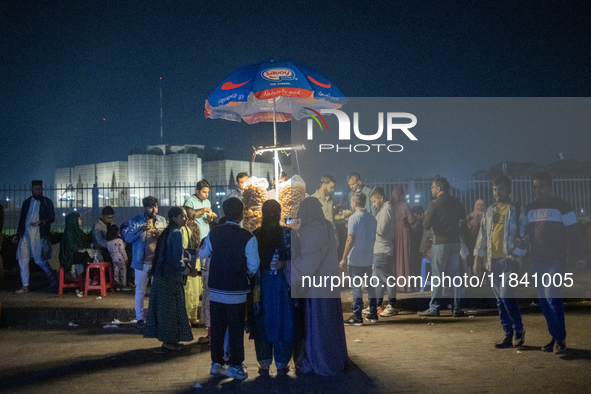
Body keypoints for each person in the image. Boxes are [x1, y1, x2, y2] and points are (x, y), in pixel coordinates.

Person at [199, 197, 260, 380]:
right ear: (241, 214)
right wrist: (243, 274)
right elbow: (254, 265)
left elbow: (203, 253)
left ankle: (216, 364)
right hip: (237, 293)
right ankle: (235, 366)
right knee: (235, 330)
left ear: (225, 213)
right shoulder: (248, 237)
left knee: (217, 329)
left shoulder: (214, 233)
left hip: (216, 289)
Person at [525, 172, 586, 354]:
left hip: (556, 260)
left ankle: (560, 339)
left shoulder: (563, 206)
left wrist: (579, 256)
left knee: (553, 296)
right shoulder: (530, 208)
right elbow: (526, 234)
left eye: (541, 186)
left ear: (550, 187)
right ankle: (555, 337)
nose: (538, 190)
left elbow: (574, 232)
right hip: (536, 261)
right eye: (535, 187)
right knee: (543, 301)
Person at [292, 197, 348, 375]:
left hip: (318, 287)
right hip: (330, 283)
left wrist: (286, 267)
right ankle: (333, 357)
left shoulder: (313, 231)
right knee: (330, 324)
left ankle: (321, 360)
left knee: (318, 325)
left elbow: (307, 265)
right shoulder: (328, 227)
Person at [474, 175, 528, 349]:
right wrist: (477, 259)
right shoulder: (489, 211)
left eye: (501, 189)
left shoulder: (517, 209)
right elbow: (482, 236)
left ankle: (518, 329)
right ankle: (508, 334)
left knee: (506, 295)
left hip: (508, 260)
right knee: (500, 299)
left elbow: (526, 235)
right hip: (492, 261)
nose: (497, 193)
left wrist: (516, 255)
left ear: (509, 191)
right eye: (495, 189)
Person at [144, 207, 198, 351]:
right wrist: (188, 271)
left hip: (162, 277)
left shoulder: (169, 232)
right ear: (174, 218)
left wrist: (184, 260)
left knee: (166, 311)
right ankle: (169, 342)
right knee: (171, 312)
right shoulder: (176, 234)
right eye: (183, 216)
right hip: (170, 278)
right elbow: (176, 261)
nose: (185, 219)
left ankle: (168, 341)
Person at [418, 177, 468, 317]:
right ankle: (457, 308)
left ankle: (434, 308)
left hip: (440, 242)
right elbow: (463, 219)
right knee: (455, 276)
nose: (431, 189)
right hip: (455, 242)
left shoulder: (434, 204)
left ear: (439, 188)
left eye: (433, 187)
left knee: (437, 276)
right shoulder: (456, 202)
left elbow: (426, 225)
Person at [125, 196, 167, 329]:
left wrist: (160, 234)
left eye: (155, 206)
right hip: (141, 262)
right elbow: (128, 238)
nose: (153, 209)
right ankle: (140, 318)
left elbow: (166, 238)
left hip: (157, 262)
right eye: (150, 207)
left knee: (157, 291)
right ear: (145, 208)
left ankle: (155, 317)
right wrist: (141, 229)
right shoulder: (136, 221)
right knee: (140, 291)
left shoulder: (161, 220)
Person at [13, 180, 57, 293]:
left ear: (42, 189)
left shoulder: (47, 202)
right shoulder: (27, 202)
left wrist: (41, 222)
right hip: (25, 235)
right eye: (35, 189)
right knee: (23, 259)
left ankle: (53, 277)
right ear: (32, 189)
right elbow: (22, 220)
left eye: (39, 189)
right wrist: (18, 234)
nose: (38, 190)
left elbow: (52, 217)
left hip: (39, 234)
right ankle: (25, 286)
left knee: (39, 260)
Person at [340, 193, 378, 325]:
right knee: (370, 286)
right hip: (368, 257)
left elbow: (350, 239)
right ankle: (373, 314)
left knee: (356, 287)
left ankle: (357, 316)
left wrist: (343, 258)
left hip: (355, 258)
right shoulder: (372, 218)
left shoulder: (353, 218)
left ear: (355, 203)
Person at [184, 180, 214, 343]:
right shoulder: (190, 201)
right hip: (194, 241)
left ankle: (196, 315)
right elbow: (190, 215)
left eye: (208, 192)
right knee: (192, 280)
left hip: (204, 241)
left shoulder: (208, 202)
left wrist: (209, 218)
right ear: (197, 191)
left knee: (201, 280)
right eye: (203, 192)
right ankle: (190, 315)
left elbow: (205, 219)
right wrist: (203, 210)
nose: (206, 195)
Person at [367, 187, 397, 317]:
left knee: (387, 279)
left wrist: (371, 225)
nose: (373, 204)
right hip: (381, 249)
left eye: (374, 201)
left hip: (382, 249)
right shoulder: (385, 210)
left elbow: (381, 230)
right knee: (379, 280)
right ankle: (377, 305)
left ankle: (392, 305)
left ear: (380, 198)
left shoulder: (386, 210)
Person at [59, 212, 91, 295]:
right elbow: (72, 248)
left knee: (88, 256)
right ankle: (87, 280)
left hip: (76, 254)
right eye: (79, 219)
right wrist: (83, 249)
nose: (81, 220)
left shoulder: (78, 231)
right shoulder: (69, 232)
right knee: (86, 256)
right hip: (69, 256)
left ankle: (87, 280)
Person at [392, 186, 415, 293]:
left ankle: (397, 285)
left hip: (394, 235)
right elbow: (411, 220)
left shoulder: (391, 206)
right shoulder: (404, 205)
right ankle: (406, 286)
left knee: (396, 259)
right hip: (404, 234)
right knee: (405, 258)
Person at [180, 207, 201, 327]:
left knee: (186, 291)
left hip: (188, 262)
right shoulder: (196, 228)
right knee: (195, 291)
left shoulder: (183, 229)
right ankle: (193, 317)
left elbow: (182, 247)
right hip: (196, 262)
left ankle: (186, 318)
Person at [106, 224, 130, 291]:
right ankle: (123, 285)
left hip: (113, 257)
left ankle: (117, 285)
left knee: (116, 271)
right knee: (123, 271)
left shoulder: (108, 242)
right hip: (120, 257)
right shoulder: (119, 241)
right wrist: (126, 258)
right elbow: (122, 250)